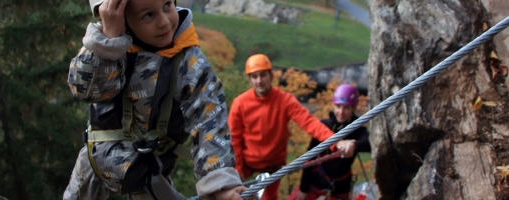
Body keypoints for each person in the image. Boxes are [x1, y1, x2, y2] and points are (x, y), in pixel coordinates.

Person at [63, 0, 247, 199]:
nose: (164, 22)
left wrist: (221, 185)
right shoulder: (108, 50)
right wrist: (107, 43)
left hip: (145, 168)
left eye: (167, 4)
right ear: (121, 19)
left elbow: (208, 120)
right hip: (98, 155)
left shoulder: (189, 63)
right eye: (148, 15)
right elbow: (86, 91)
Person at [228, 54, 351, 200]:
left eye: (263, 75)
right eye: (254, 77)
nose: (259, 81)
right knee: (232, 195)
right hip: (248, 162)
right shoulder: (240, 104)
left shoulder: (284, 100)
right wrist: (238, 169)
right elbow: (233, 138)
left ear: (271, 76)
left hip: (274, 164)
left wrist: (336, 142)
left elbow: (309, 122)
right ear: (250, 80)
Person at [287, 84, 371, 200]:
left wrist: (355, 145)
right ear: (333, 106)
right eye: (338, 106)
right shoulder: (324, 126)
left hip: (340, 186)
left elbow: (369, 142)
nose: (341, 112)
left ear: (353, 109)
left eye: (346, 108)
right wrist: (303, 188)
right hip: (317, 180)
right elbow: (309, 157)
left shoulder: (356, 129)